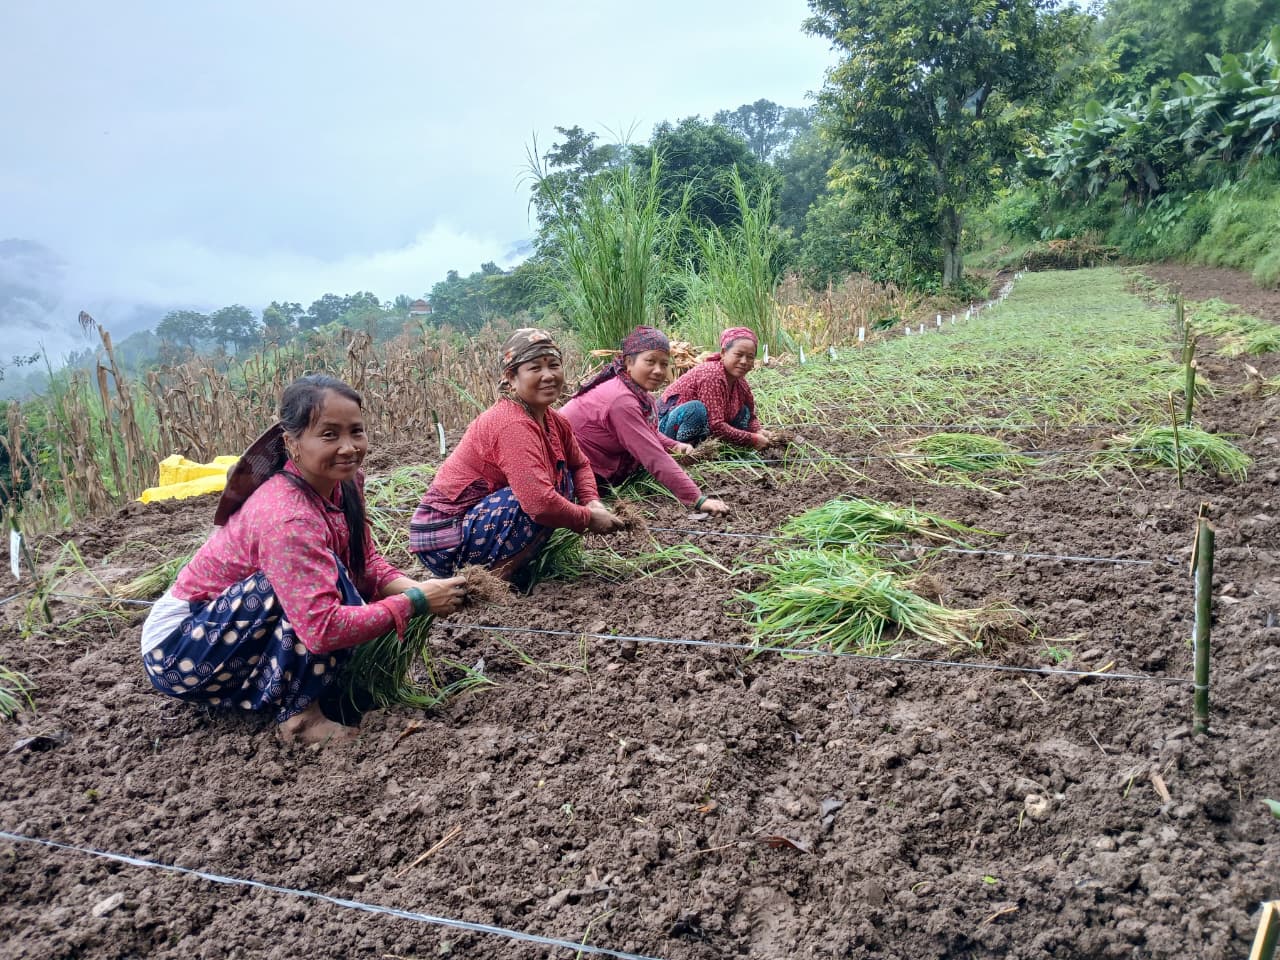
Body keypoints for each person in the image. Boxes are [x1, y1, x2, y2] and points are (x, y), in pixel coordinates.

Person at [139, 375, 467, 746]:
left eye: (356, 432)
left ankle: (302, 688)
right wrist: (415, 602)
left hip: (230, 628)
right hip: (181, 650)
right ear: (291, 443)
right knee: (312, 588)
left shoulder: (346, 482)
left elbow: (366, 563)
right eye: (329, 435)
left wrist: (422, 591)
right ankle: (301, 718)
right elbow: (322, 628)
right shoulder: (288, 516)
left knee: (332, 577)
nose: (348, 447)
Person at [410, 328, 625, 581]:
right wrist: (589, 519)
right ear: (512, 378)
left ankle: (511, 571)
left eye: (554, 365)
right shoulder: (512, 424)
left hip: (477, 518)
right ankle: (486, 581)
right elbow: (539, 503)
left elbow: (579, 465)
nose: (548, 375)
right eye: (535, 368)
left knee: (561, 481)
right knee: (536, 500)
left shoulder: (555, 421)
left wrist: (591, 501)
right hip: (443, 535)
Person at [561, 325, 730, 516]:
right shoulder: (621, 400)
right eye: (650, 361)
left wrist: (674, 445)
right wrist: (698, 499)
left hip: (594, 469)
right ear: (629, 362)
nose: (658, 370)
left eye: (664, 364)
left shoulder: (639, 395)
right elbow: (652, 455)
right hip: (570, 476)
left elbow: (646, 433)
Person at [658, 326, 779, 450]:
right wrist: (752, 439)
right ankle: (687, 453)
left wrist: (758, 431)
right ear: (723, 353)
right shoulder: (712, 374)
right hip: (664, 431)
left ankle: (711, 447)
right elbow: (715, 425)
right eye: (739, 354)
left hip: (702, 428)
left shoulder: (741, 383)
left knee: (744, 412)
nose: (744, 361)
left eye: (750, 357)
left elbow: (751, 417)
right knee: (696, 409)